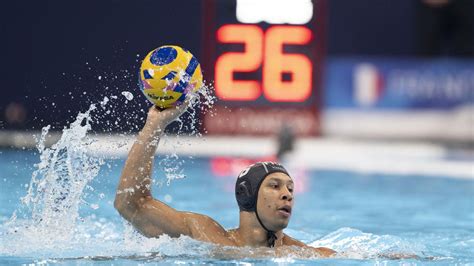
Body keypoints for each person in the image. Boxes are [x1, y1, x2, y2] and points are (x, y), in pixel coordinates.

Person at [114, 104, 335, 257]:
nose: (287, 194)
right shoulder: (204, 234)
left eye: (290, 188)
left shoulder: (305, 254)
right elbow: (131, 204)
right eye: (274, 186)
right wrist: (155, 124)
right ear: (247, 195)